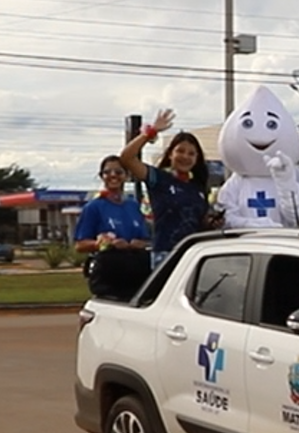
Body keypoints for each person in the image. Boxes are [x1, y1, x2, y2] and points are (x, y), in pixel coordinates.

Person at [215, 85, 299, 229]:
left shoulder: (289, 172)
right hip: (247, 240)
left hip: (282, 238)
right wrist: (254, 225)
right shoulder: (237, 181)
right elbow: (227, 215)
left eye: (271, 124)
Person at [119, 108, 214, 267]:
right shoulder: (159, 178)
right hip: (165, 255)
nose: (185, 157)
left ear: (197, 159)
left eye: (191, 153)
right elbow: (127, 158)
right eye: (180, 151)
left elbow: (200, 223)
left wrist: (212, 222)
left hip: (194, 255)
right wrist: (150, 132)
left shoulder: (198, 187)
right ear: (170, 154)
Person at [75, 155, 152, 299]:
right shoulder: (94, 207)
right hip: (109, 274)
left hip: (137, 272)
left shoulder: (133, 206)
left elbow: (146, 239)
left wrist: (140, 244)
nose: (113, 175)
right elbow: (80, 245)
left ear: (127, 176)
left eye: (118, 172)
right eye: (107, 172)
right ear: (101, 176)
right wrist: (106, 243)